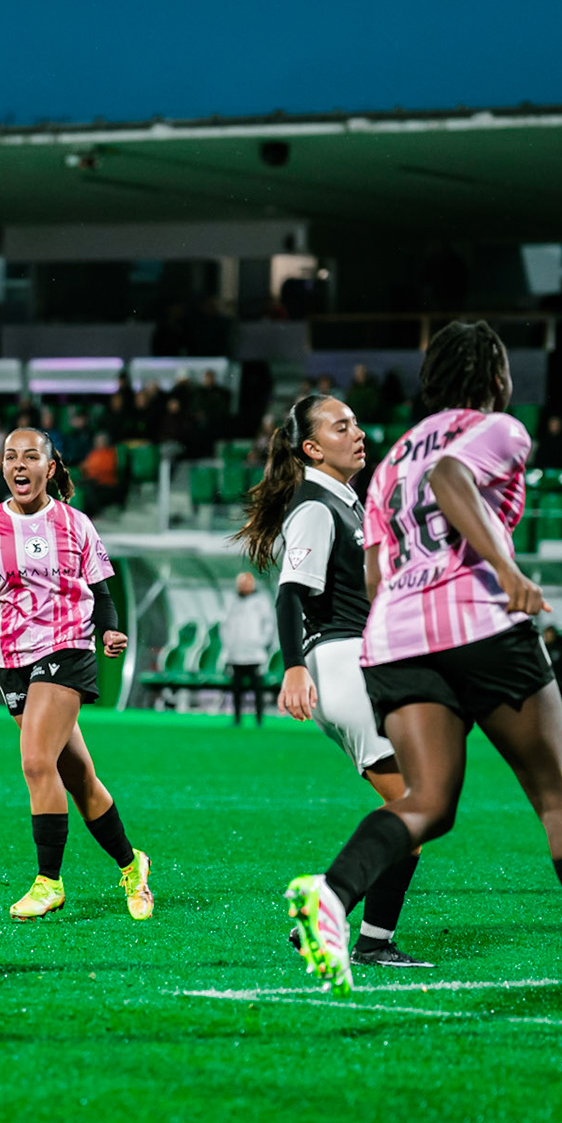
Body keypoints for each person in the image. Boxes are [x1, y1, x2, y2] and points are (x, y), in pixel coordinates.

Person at [282, 319, 562, 1022]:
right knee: (557, 799)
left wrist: (399, 627)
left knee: (428, 803)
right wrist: (508, 569)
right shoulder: (496, 430)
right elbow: (452, 475)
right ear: (496, 378)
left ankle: (333, 895)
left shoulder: (393, 455)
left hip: (395, 635)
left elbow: (377, 569)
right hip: (479, 623)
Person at [0, 428, 151, 923]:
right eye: (9, 456)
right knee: (78, 776)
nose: (19, 464)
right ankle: (132, 864)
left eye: (30, 456)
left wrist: (108, 632)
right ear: (3, 469)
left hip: (66, 649)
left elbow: (102, 593)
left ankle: (49, 882)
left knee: (35, 761)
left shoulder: (75, 524)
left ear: (50, 467)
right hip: (12, 660)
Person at [232, 393, 431, 968]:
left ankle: (365, 934)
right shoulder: (316, 506)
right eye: (342, 427)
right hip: (339, 666)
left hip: (353, 663)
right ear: (313, 448)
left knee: (415, 811)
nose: (359, 433)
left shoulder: (343, 504)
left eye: (357, 423)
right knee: (415, 806)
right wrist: (294, 666)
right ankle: (335, 909)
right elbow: (292, 592)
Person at [220, 572, 274, 727]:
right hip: (235, 653)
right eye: (241, 583)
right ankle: (237, 718)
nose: (244, 586)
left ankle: (259, 719)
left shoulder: (261, 601)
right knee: (236, 688)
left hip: (255, 654)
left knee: (257, 688)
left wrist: (261, 641)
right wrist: (228, 644)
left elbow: (268, 624)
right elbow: (224, 624)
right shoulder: (231, 601)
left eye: (247, 583)